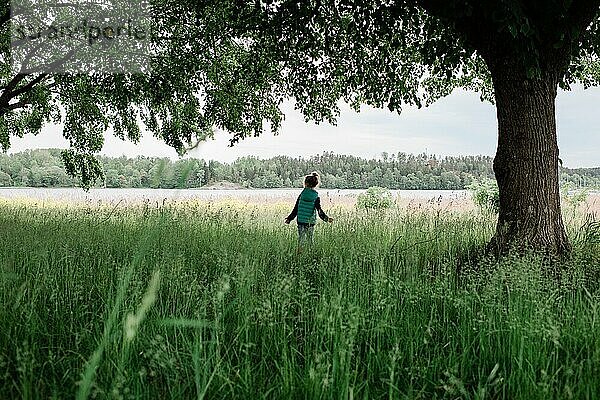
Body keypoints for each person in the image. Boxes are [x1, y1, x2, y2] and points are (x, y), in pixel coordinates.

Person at [284, 172, 333, 247]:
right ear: (315, 184)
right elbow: (319, 210)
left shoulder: (301, 195)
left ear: (305, 183)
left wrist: (289, 219)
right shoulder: (316, 197)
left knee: (301, 240)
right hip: (310, 222)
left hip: (301, 221)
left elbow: (295, 209)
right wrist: (326, 219)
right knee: (310, 240)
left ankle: (299, 255)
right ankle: (311, 254)